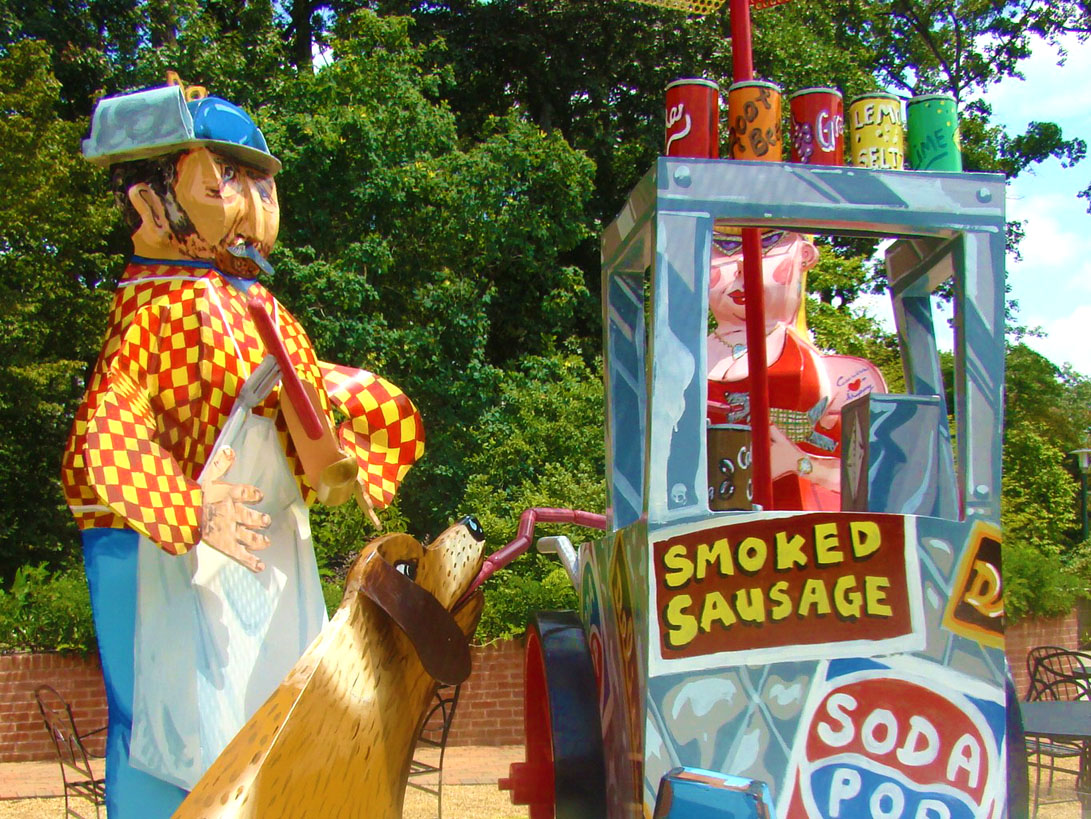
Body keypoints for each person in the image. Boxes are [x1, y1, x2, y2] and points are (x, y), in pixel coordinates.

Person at [62, 84, 424, 817]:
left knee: (266, 714)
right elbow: (102, 435)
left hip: (262, 556)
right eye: (223, 178)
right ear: (148, 201)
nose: (252, 203)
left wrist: (338, 457)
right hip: (157, 555)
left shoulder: (261, 308)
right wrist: (186, 506)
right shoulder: (154, 309)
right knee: (168, 734)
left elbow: (313, 422)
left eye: (258, 180)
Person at [706, 225, 885, 511]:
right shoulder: (679, 368)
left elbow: (876, 482)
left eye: (771, 242)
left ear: (803, 255)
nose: (742, 263)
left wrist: (801, 463)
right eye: (725, 247)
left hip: (809, 541)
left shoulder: (845, 377)